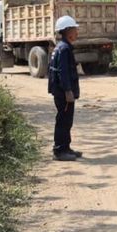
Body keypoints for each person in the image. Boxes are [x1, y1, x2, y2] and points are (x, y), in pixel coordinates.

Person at [47, 15, 82, 161]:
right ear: (68, 31)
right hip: (63, 92)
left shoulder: (61, 47)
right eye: (75, 28)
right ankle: (59, 151)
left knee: (67, 120)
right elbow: (63, 72)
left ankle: (66, 147)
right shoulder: (64, 49)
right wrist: (68, 90)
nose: (77, 31)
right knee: (63, 120)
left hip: (61, 90)